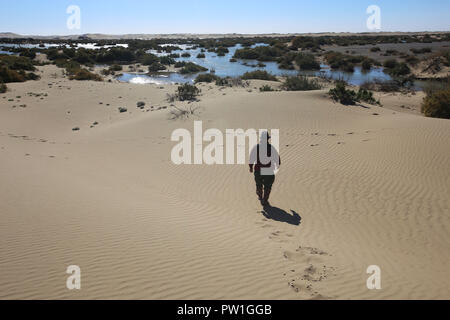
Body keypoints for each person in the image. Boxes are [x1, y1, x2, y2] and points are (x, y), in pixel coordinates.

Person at [249, 132, 281, 206]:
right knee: (268, 186)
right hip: (269, 170)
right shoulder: (271, 148)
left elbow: (251, 158)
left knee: (259, 184)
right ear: (267, 139)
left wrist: (250, 167)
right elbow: (278, 160)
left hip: (258, 170)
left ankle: (260, 196)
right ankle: (265, 200)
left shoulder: (256, 147)